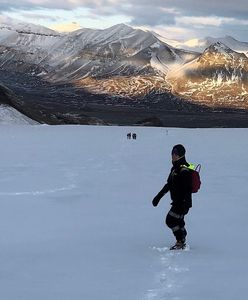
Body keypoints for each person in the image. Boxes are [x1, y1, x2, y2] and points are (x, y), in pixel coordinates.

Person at [152, 144, 192, 250]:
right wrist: (158, 197)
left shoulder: (184, 169)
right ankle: (182, 237)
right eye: (172, 153)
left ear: (181, 155)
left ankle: (180, 241)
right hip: (176, 201)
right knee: (178, 221)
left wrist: (187, 204)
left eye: (176, 153)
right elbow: (169, 184)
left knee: (170, 220)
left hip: (181, 202)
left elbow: (188, 188)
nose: (173, 155)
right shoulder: (175, 169)